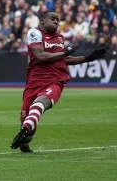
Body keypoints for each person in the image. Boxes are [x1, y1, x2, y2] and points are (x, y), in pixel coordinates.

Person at [10, 11, 107, 152]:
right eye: (53, 19)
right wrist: (64, 52)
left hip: (55, 80)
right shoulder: (35, 33)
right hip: (33, 82)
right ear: (42, 21)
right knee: (26, 137)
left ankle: (25, 128)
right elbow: (40, 56)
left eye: (58, 20)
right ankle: (26, 135)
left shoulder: (60, 38)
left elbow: (63, 59)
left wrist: (88, 58)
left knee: (40, 103)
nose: (56, 22)